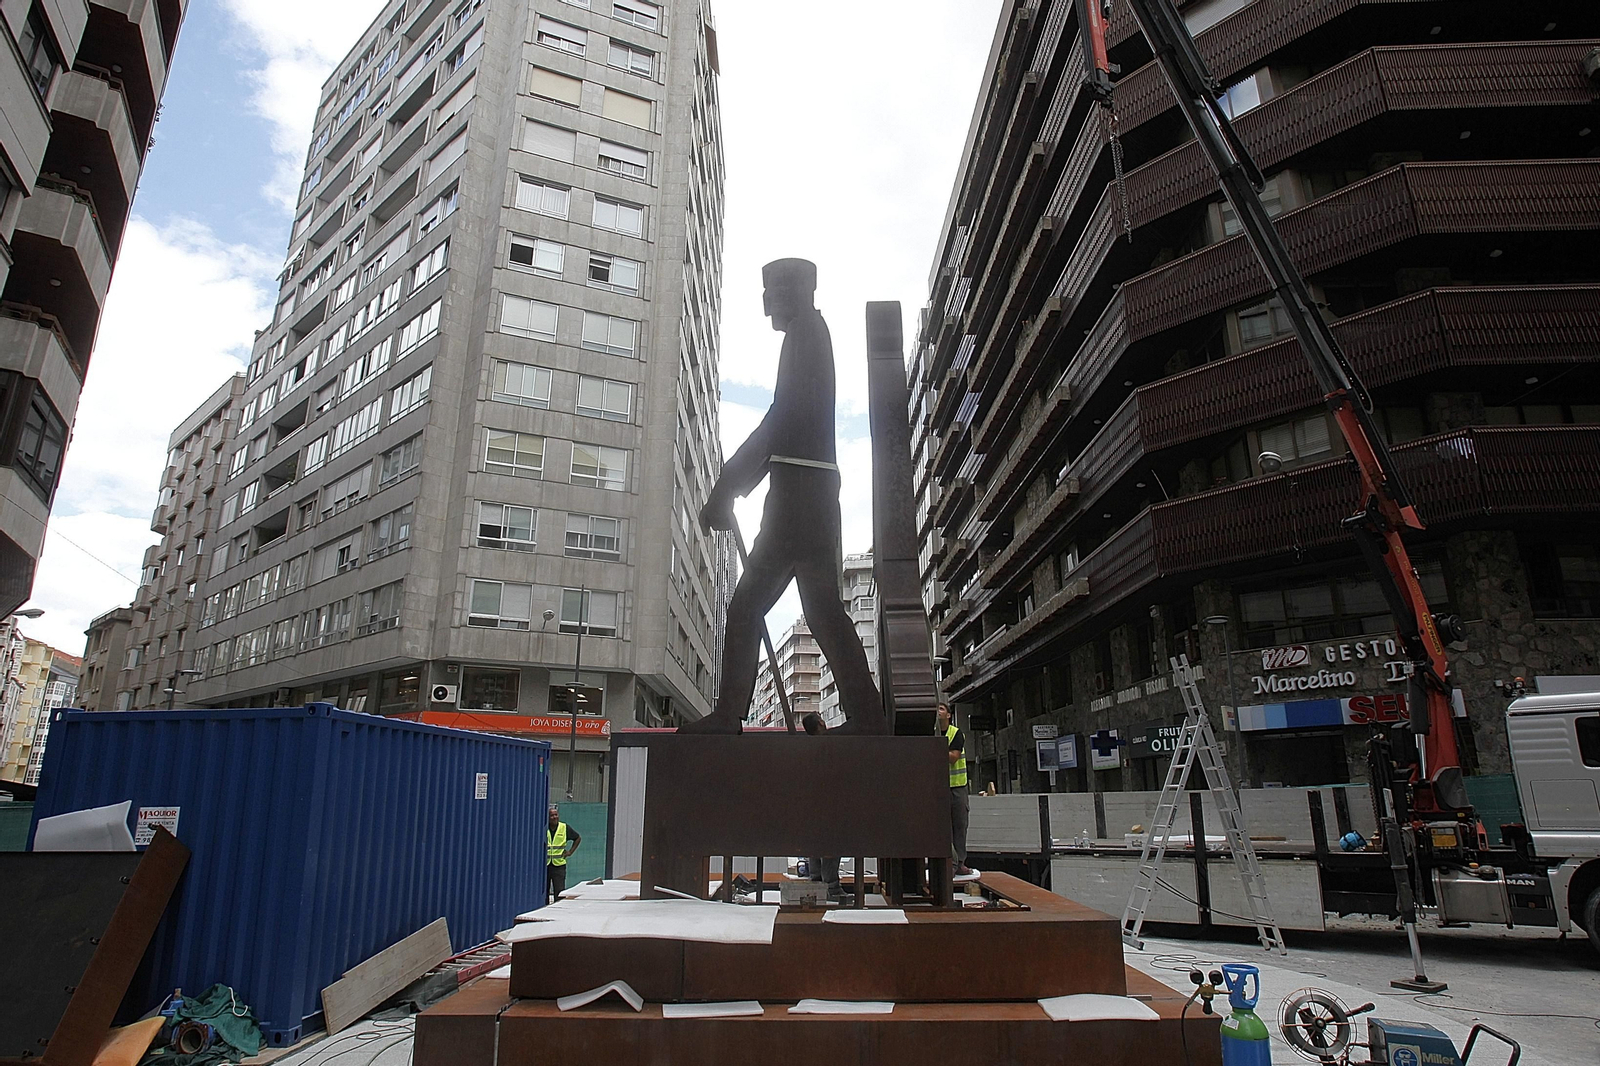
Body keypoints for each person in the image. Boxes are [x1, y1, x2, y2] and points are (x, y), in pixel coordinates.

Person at [685, 259, 883, 734]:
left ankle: (729, 715)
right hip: (811, 492)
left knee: (748, 603)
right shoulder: (810, 332)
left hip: (797, 497)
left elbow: (782, 418)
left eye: (773, 288)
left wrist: (727, 486)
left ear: (797, 290)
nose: (766, 299)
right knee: (822, 609)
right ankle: (870, 716)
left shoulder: (806, 335)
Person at [800, 712, 840, 896]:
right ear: (821, 724)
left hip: (811, 804)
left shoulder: (807, 749)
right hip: (829, 803)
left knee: (815, 841)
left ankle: (816, 881)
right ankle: (831, 886)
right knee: (831, 842)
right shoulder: (829, 746)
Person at [938, 703, 974, 877]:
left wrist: (934, 748)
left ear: (949, 715)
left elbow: (953, 757)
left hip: (957, 788)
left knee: (959, 826)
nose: (938, 711)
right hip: (938, 788)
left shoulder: (956, 733)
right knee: (942, 827)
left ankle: (960, 863)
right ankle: (948, 863)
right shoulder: (933, 733)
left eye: (941, 709)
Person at [547, 804, 580, 903]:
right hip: (546, 865)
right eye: (552, 815)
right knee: (544, 891)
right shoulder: (544, 828)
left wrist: (570, 852)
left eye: (556, 815)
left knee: (559, 891)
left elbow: (577, 838)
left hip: (559, 865)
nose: (554, 817)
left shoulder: (564, 827)